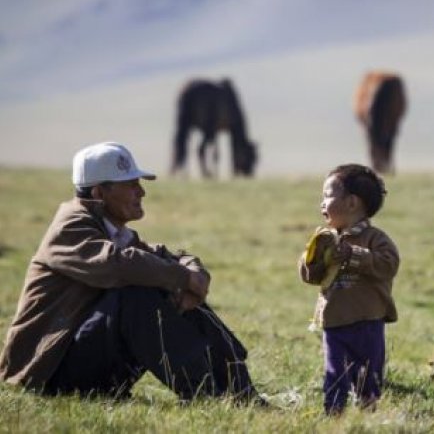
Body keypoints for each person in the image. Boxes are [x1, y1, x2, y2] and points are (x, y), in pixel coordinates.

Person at [0, 142, 262, 403]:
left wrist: (194, 278)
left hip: (82, 363)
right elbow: (117, 265)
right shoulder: (70, 227)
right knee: (135, 294)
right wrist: (182, 279)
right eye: (131, 185)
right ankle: (204, 394)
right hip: (46, 373)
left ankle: (241, 391)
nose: (141, 192)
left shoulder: (111, 230)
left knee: (155, 281)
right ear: (99, 192)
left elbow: (165, 258)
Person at [298, 164, 400, 415]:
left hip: (368, 322)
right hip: (334, 323)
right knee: (334, 373)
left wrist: (353, 255)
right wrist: (312, 261)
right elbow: (311, 276)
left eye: (328, 195)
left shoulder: (375, 239)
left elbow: (388, 265)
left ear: (352, 202)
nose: (322, 203)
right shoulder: (325, 239)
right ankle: (334, 415)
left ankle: (368, 413)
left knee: (369, 377)